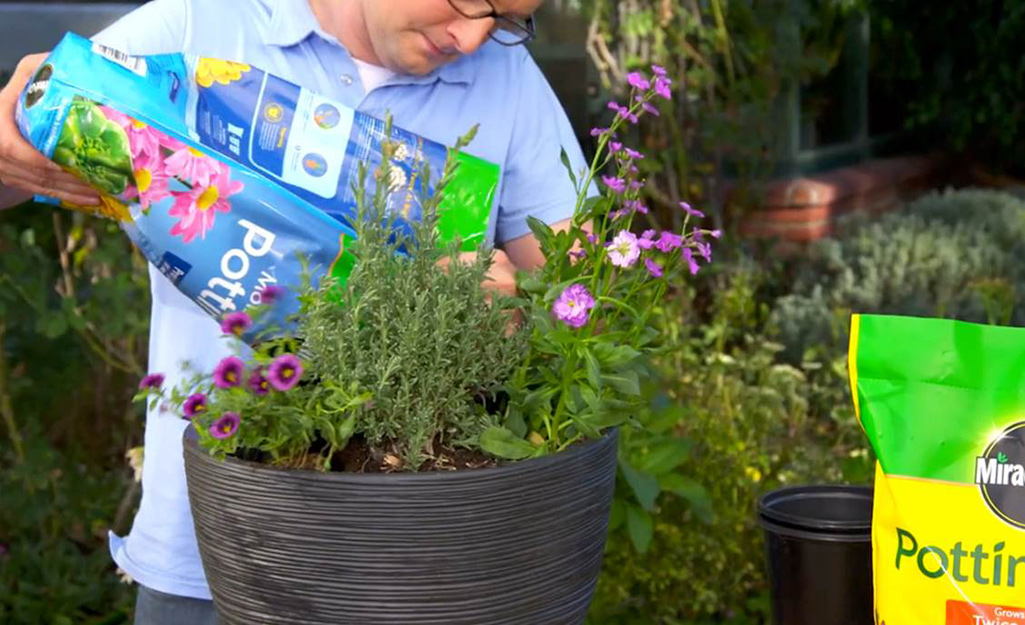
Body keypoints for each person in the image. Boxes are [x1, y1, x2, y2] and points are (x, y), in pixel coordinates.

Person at [0, 0, 591, 622]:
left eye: (506, 21)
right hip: (213, 555)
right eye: (470, 3)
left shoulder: (508, 77)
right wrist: (16, 125)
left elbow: (584, 294)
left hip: (417, 564)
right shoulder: (205, 21)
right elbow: (21, 145)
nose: (472, 38)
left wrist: (517, 310)